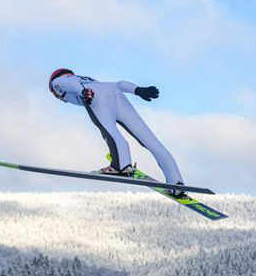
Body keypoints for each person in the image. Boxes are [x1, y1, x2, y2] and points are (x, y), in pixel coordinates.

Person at [49, 68, 185, 196]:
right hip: (116, 94)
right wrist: (138, 90)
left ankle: (121, 166)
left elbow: (70, 83)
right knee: (150, 141)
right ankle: (176, 183)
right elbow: (119, 84)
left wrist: (84, 92)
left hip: (96, 98)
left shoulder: (58, 82)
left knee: (111, 134)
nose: (60, 99)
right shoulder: (90, 80)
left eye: (56, 95)